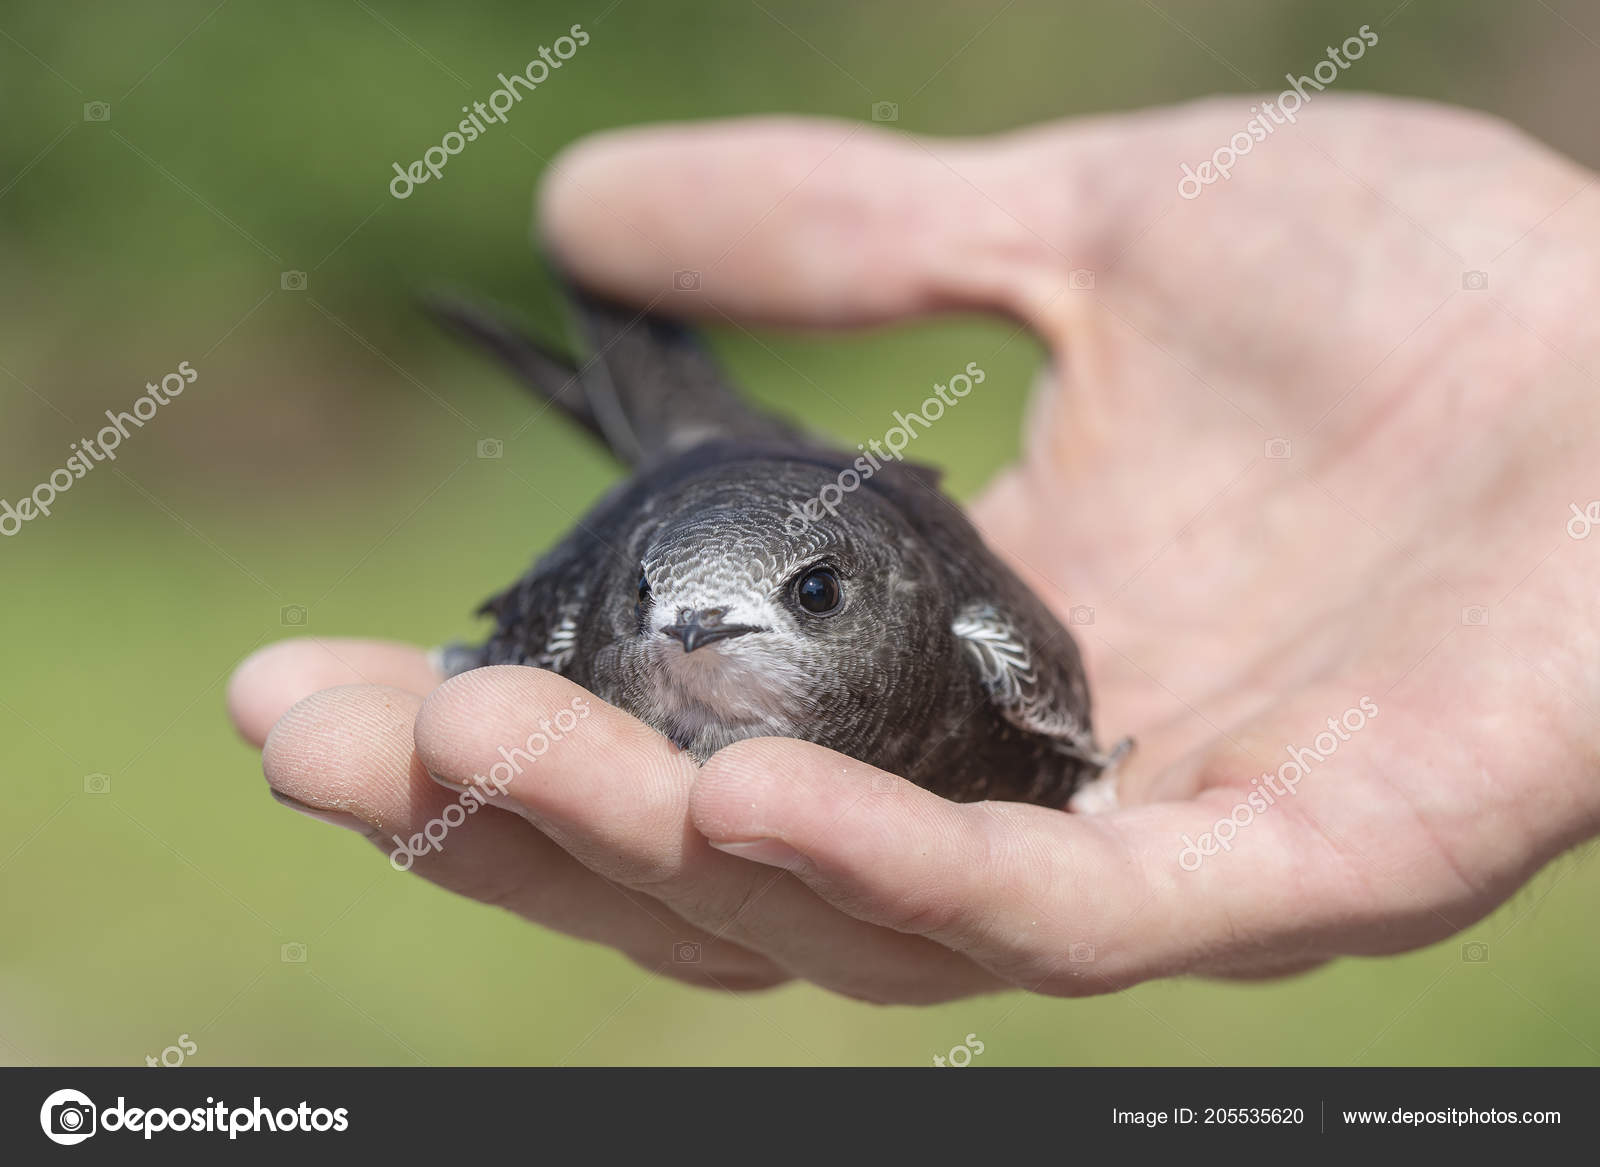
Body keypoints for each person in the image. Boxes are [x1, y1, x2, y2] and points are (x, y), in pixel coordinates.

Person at [229, 97, 1600, 1003]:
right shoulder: (601, 622)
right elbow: (651, 601)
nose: (684, 636)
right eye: (659, 610)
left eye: (805, 600)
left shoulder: (974, 640)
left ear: (873, 597)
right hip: (697, 469)